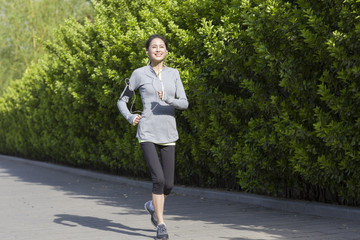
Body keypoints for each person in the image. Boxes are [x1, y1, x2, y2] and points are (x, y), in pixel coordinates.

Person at [117, 34, 188, 240]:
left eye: (162, 46)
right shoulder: (138, 74)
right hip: (147, 131)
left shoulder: (174, 74)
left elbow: (184, 103)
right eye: (153, 47)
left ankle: (151, 205)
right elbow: (122, 100)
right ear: (147, 51)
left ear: (166, 51)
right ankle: (161, 224)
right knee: (158, 179)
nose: (158, 49)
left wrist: (168, 99)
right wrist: (130, 116)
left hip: (168, 132)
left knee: (169, 184)